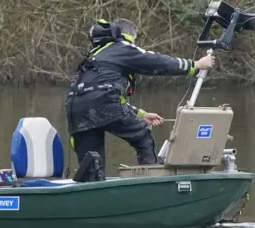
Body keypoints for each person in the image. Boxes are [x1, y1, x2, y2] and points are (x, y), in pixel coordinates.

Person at [65, 18, 216, 171]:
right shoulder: (123, 47)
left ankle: (92, 188)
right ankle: (152, 181)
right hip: (102, 104)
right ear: (129, 36)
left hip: (75, 110)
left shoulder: (94, 55)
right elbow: (157, 62)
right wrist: (194, 65)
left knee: (92, 163)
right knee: (142, 134)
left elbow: (97, 93)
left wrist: (140, 114)